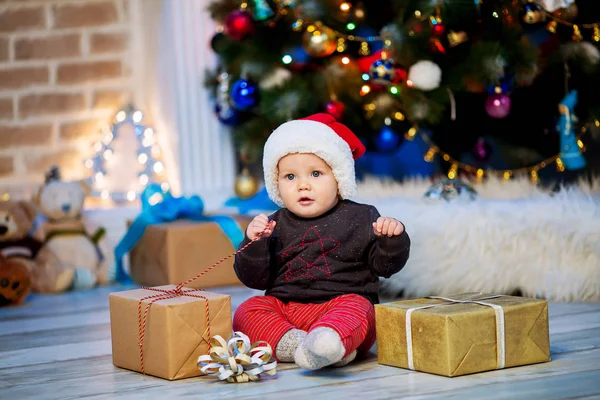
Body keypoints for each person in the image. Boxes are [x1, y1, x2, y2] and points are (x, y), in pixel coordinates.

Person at [233, 113, 410, 370]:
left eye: (316, 174)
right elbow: (254, 279)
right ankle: (298, 345)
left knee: (362, 309)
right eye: (290, 177)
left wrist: (392, 239)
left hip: (342, 303)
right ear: (276, 183)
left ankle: (330, 341)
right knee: (247, 310)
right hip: (286, 310)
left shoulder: (361, 216)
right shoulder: (272, 225)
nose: (303, 185)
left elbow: (386, 266)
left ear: (339, 178)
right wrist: (254, 243)